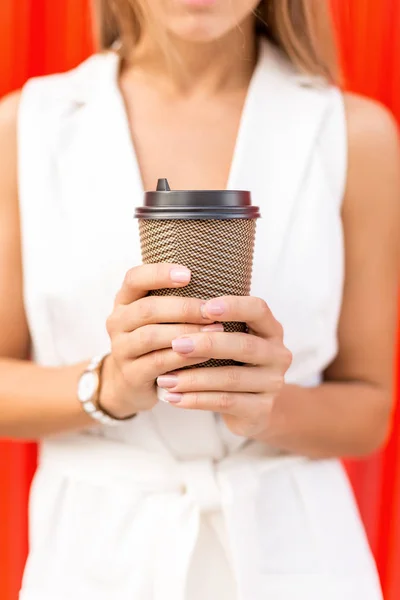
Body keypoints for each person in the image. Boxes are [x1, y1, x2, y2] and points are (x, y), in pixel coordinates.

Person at [0, 0, 399, 598]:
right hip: (93, 560)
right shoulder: (26, 128)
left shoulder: (355, 134)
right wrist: (106, 386)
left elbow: (369, 411)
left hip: (300, 561)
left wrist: (268, 409)